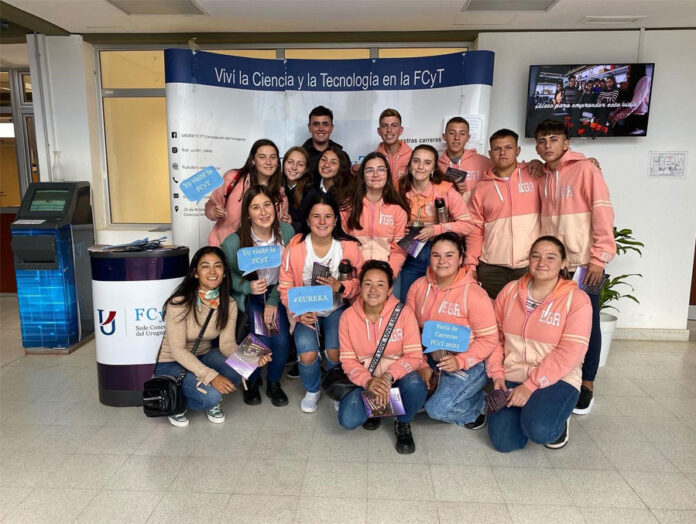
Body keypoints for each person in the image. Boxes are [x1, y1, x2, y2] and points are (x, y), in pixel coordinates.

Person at [534, 119, 616, 415]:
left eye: (553, 139)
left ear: (566, 143)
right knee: (557, 324)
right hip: (556, 267)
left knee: (588, 325)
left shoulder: (586, 170)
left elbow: (603, 213)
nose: (547, 145)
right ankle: (562, 375)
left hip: (586, 264)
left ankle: (587, 384)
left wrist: (599, 258)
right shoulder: (542, 176)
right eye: (542, 141)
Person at [487, 236, 592, 451]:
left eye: (550, 257)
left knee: (539, 430)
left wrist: (530, 387)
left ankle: (557, 419)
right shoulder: (510, 291)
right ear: (529, 260)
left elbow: (570, 352)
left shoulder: (577, 300)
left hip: (558, 379)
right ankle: (532, 409)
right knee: (504, 442)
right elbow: (494, 337)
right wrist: (497, 374)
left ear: (563, 263)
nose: (542, 262)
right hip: (513, 375)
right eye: (536, 256)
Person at [154, 246, 271, 427]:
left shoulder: (228, 303)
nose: (212, 272)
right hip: (172, 362)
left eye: (218, 266)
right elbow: (178, 351)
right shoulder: (179, 303)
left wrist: (253, 357)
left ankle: (197, 390)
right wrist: (212, 377)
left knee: (241, 368)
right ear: (195, 273)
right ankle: (177, 403)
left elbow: (227, 344)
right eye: (205, 266)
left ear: (224, 273)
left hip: (204, 355)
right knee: (212, 396)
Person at [278, 194, 363, 413]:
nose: (322, 221)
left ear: (336, 220)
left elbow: (360, 284)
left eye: (328, 216)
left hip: (337, 308)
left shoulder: (349, 247)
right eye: (316, 216)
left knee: (334, 352)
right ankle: (312, 390)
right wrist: (297, 312)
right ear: (308, 220)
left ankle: (336, 388)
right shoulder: (295, 247)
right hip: (305, 310)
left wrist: (341, 287)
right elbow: (285, 287)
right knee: (307, 354)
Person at [406, 233, 498, 430]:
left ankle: (479, 405)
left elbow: (490, 339)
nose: (442, 261)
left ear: (460, 258)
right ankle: (448, 392)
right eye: (436, 255)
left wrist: (461, 361)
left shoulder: (475, 294)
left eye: (449, 255)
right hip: (432, 357)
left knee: (437, 409)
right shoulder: (417, 287)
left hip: (470, 361)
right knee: (410, 399)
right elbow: (409, 332)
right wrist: (421, 364)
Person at [338, 260, 427, 454]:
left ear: (389, 290)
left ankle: (402, 421)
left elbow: (414, 356)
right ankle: (378, 407)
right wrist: (369, 382)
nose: (373, 290)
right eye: (367, 283)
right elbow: (348, 360)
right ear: (360, 287)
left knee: (415, 386)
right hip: (366, 381)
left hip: (397, 379)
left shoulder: (404, 314)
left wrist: (388, 378)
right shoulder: (347, 317)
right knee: (348, 419)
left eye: (380, 284)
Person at [220, 185, 295, 407]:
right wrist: (247, 286)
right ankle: (250, 381)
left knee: (281, 340)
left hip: (276, 292)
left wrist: (273, 301)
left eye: (267, 205)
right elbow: (226, 277)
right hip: (251, 294)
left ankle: (273, 382)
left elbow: (291, 270)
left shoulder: (287, 232)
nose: (263, 212)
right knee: (260, 338)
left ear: (275, 207)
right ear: (247, 213)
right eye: (255, 207)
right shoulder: (233, 242)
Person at [466, 129, 540, 299]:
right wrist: (470, 264)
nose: (503, 153)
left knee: (526, 314)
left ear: (518, 150)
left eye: (508, 147)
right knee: (490, 314)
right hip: (491, 268)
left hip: (529, 265)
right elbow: (475, 230)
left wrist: (587, 161)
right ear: (490, 153)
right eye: (497, 149)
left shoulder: (535, 176)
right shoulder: (481, 188)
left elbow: (559, 169)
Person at [396, 144, 473, 302]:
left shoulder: (445, 190)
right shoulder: (399, 189)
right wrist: (400, 229)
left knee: (438, 302)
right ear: (410, 165)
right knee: (406, 303)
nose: (420, 167)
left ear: (433, 168)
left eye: (427, 163)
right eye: (416, 161)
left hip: (439, 252)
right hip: (409, 252)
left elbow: (467, 225)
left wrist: (435, 229)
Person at [204, 139, 287, 246]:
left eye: (273, 157)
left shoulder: (280, 194)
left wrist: (286, 221)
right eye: (262, 157)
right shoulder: (233, 178)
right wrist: (215, 212)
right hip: (224, 245)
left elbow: (277, 228)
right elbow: (210, 206)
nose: (268, 162)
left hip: (256, 251)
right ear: (253, 160)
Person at [340, 152, 409, 281]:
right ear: (362, 175)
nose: (375, 175)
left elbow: (399, 249)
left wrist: (388, 274)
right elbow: (343, 243)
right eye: (369, 170)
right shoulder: (347, 207)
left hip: (388, 274)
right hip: (355, 273)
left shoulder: (398, 210)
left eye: (381, 170)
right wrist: (358, 272)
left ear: (387, 174)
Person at [438, 117, 494, 203]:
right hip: (450, 210)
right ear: (444, 136)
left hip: (477, 211)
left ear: (468, 138)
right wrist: (450, 189)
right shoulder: (436, 166)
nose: (457, 137)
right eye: (452, 133)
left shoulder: (485, 162)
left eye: (462, 134)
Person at [299, 145, 352, 221]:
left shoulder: (348, 194)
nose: (326, 165)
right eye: (323, 160)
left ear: (341, 167)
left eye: (333, 162)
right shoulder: (309, 190)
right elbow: (302, 220)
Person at [302, 105, 351, 182]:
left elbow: (347, 185)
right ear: (309, 127)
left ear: (331, 128)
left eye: (325, 124)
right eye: (316, 124)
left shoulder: (343, 156)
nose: (321, 129)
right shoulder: (300, 156)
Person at [609, 64, 652, 135]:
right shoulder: (634, 82)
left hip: (639, 118)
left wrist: (619, 115)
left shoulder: (645, 79)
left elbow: (635, 103)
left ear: (636, 68)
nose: (627, 71)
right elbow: (626, 102)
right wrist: (614, 113)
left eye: (629, 68)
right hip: (631, 115)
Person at [375, 108, 412, 180]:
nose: (389, 130)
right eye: (384, 126)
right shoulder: (373, 158)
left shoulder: (412, 156)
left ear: (401, 130)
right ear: (379, 131)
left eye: (394, 125)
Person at [281, 146, 311, 233]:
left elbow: (312, 226)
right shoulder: (275, 186)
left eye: (300, 164)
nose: (294, 167)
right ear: (283, 163)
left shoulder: (311, 194)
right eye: (290, 162)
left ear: (306, 169)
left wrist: (292, 223)